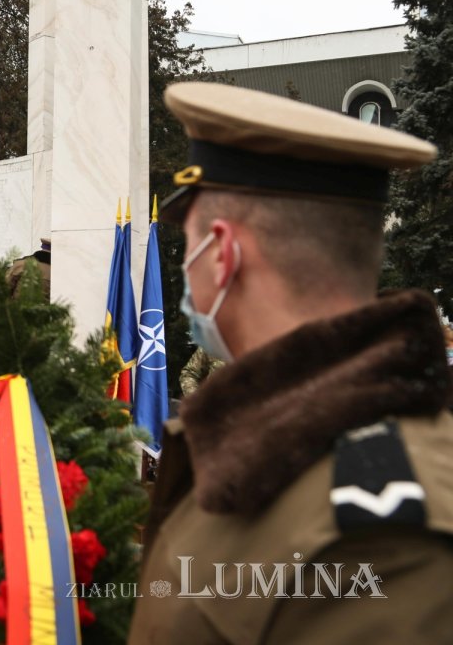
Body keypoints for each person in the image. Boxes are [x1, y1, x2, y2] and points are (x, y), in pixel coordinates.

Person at [130, 83, 453, 642]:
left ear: (224, 255)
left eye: (188, 244)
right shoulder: (259, 446)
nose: (183, 270)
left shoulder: (380, 538)